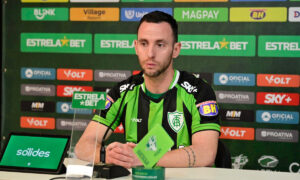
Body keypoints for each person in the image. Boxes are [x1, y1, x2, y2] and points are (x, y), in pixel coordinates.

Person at [75, 11, 220, 168]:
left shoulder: (198, 91)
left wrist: (142, 158)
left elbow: (206, 154)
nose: (151, 54)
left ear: (176, 49)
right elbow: (83, 146)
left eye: (160, 45)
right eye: (144, 43)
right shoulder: (123, 91)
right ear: (136, 47)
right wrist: (107, 156)